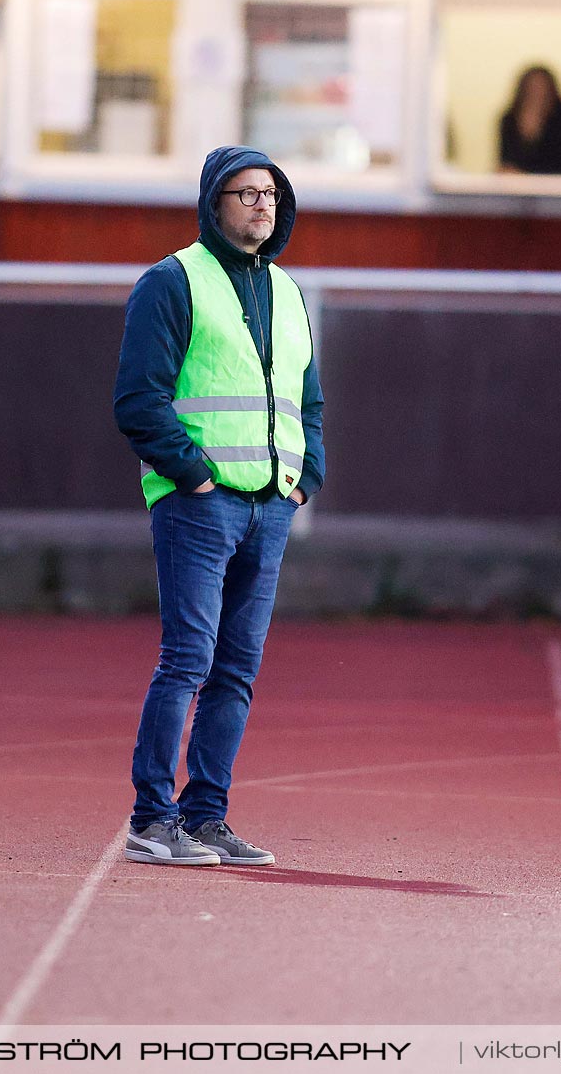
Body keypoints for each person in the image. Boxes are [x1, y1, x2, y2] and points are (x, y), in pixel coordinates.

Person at [114, 146, 326, 866]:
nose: (261, 205)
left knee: (237, 669)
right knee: (188, 660)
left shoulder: (289, 292)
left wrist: (305, 478)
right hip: (199, 507)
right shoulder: (173, 282)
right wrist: (193, 475)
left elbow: (310, 400)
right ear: (214, 203)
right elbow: (138, 400)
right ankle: (152, 818)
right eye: (245, 194)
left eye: (269, 193)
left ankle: (206, 818)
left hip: (269, 506)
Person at [497, 65, 561, 176]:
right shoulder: (509, 119)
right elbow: (506, 162)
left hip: (554, 189)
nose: (537, 92)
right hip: (514, 188)